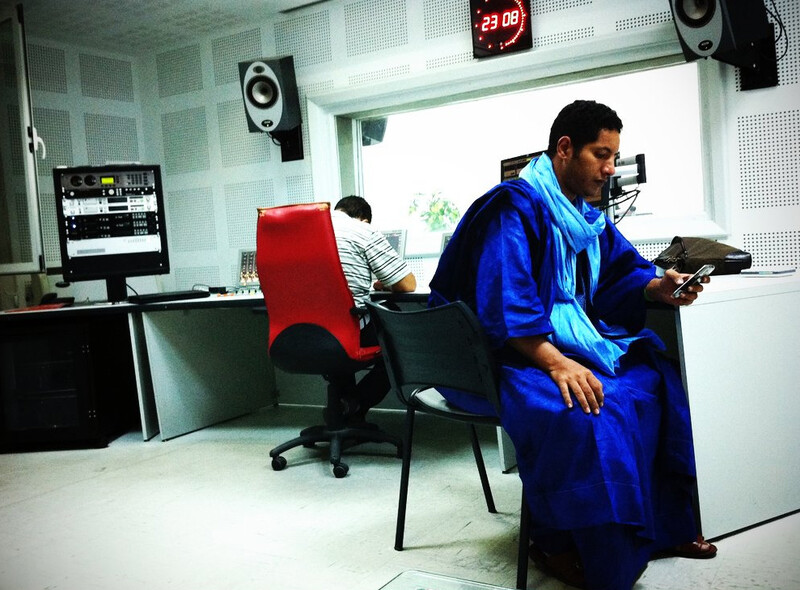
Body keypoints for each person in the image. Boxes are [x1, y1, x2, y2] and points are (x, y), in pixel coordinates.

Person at [428, 100, 716, 590]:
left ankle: (665, 528)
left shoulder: (587, 216)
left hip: (550, 346)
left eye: (614, 156)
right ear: (565, 149)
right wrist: (557, 362)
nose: (610, 169)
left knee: (653, 377)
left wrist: (657, 287)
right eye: (601, 155)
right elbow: (505, 304)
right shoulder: (513, 208)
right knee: (587, 411)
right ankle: (558, 544)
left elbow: (623, 272)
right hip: (504, 357)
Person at [330, 195, 416, 421]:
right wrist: (387, 283)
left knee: (338, 338)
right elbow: (407, 284)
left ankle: (342, 408)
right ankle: (357, 402)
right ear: (364, 220)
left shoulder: (303, 233)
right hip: (348, 333)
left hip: (300, 334)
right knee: (397, 328)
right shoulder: (361, 230)